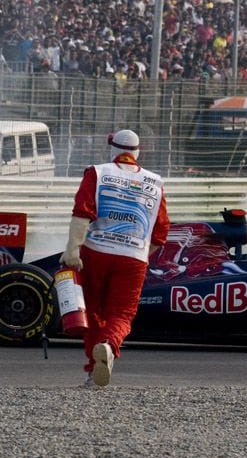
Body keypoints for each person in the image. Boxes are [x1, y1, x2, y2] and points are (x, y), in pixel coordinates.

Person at [60, 129, 170, 388]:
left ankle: (91, 371)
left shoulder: (97, 173)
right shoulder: (155, 183)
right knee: (121, 313)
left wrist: (72, 250)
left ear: (112, 149)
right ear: (138, 151)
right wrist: (139, 252)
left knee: (94, 312)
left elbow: (81, 214)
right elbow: (161, 233)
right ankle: (109, 346)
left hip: (95, 253)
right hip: (134, 258)